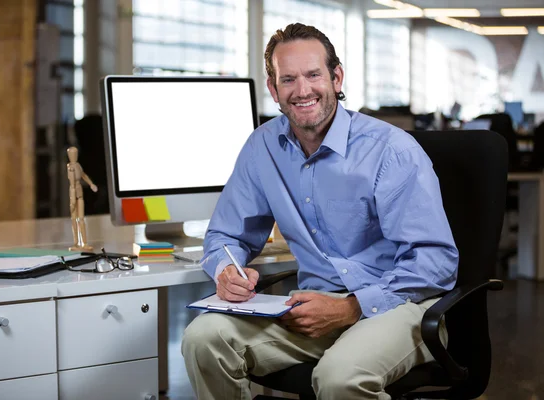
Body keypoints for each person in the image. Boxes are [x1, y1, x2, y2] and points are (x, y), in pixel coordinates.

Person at [181, 23, 458, 400]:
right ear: (273, 88)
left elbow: (436, 261)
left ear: (336, 76)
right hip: (311, 307)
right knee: (203, 338)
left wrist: (351, 307)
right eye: (288, 79)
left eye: (313, 75)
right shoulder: (262, 147)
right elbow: (225, 235)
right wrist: (225, 268)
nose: (302, 90)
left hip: (400, 307)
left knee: (338, 378)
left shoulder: (391, 150)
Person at [66, 146, 98, 251]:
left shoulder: (78, 165)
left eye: (75, 154)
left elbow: (83, 175)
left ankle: (84, 242)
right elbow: (72, 184)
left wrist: (91, 184)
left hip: (79, 191)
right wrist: (73, 201)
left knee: (81, 219)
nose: (74, 156)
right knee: (74, 219)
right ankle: (76, 243)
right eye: (72, 154)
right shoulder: (70, 167)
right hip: (73, 191)